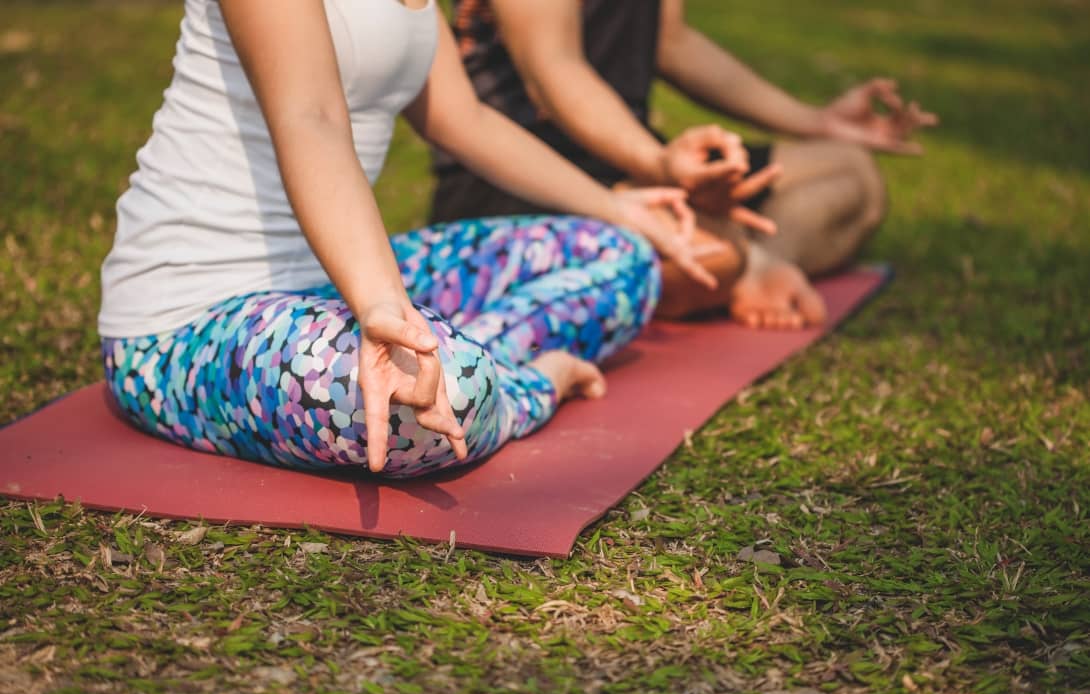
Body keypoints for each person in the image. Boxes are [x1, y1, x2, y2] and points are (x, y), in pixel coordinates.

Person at [98, 0, 710, 478]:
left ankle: (456, 358)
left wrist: (620, 208)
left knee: (622, 257)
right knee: (441, 400)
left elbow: (462, 120)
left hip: (333, 287)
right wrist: (383, 306)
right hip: (188, 324)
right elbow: (311, 116)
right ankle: (525, 385)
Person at [431, 0, 938, 329]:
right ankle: (730, 260)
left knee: (852, 172)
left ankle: (759, 259)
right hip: (523, 174)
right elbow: (554, 69)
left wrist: (819, 122)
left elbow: (673, 43)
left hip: (630, 155)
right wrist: (660, 164)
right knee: (712, 254)